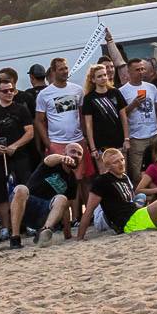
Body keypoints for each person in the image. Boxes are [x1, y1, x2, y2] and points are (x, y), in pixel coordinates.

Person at [0, 77, 35, 238]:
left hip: (20, 156)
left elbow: (30, 132)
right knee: (0, 192)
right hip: (0, 158)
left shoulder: (21, 109)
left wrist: (15, 146)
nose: (9, 93)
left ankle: (28, 224)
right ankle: (4, 227)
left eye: (11, 90)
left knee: (24, 190)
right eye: (5, 91)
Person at [34, 57, 90, 222]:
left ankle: (81, 216)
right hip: (57, 142)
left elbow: (82, 115)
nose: (65, 71)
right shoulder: (45, 94)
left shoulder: (77, 90)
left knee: (80, 179)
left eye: (66, 68)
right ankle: (64, 219)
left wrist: (86, 137)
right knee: (61, 181)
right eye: (61, 69)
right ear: (53, 71)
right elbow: (39, 120)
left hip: (77, 140)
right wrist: (48, 144)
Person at [5, 144, 80, 249]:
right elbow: (49, 159)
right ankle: (15, 238)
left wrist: (68, 235)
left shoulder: (72, 180)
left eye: (79, 154)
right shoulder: (53, 164)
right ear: (64, 153)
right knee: (21, 188)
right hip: (26, 204)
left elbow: (65, 209)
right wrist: (63, 158)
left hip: (43, 214)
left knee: (62, 198)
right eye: (73, 151)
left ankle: (44, 232)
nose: (76, 155)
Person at [119, 58, 157, 179]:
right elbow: (121, 115)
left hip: (154, 134)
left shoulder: (151, 87)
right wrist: (133, 104)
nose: (141, 72)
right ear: (129, 72)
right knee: (138, 173)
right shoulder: (122, 91)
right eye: (137, 70)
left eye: (142, 69)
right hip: (136, 137)